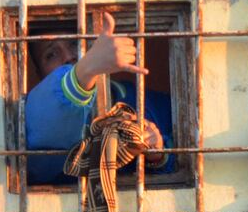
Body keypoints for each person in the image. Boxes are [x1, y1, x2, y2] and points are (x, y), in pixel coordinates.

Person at [25, 12, 174, 184]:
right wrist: (87, 68)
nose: (68, 56)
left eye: (74, 43)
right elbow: (42, 130)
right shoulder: (32, 115)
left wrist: (158, 157)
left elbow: (188, 164)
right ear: (39, 74)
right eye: (51, 54)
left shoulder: (143, 99)